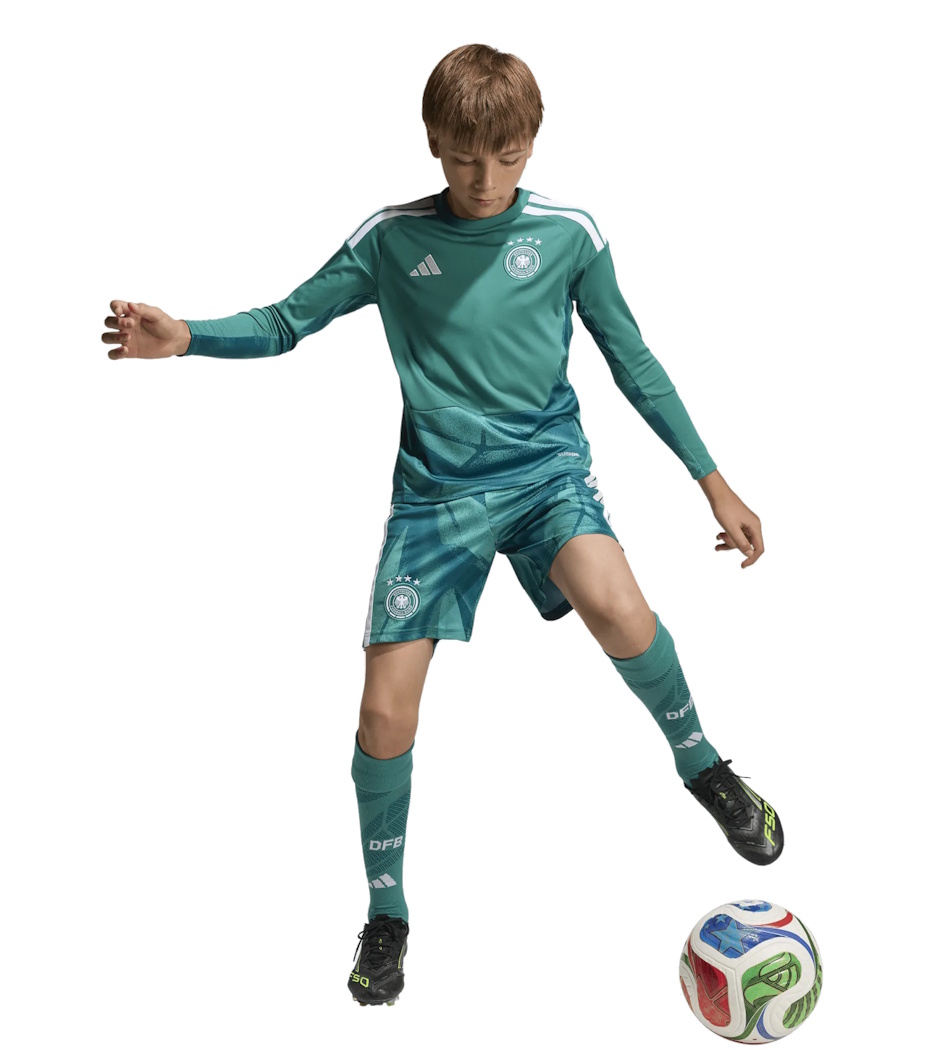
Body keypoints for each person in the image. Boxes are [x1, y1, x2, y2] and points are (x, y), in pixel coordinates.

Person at [101, 43, 781, 1009]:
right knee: (383, 714)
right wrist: (186, 339)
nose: (486, 178)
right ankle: (388, 914)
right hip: (436, 500)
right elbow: (288, 321)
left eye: (507, 157)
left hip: (545, 476)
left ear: (532, 143)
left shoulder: (571, 236)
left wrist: (714, 483)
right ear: (433, 143)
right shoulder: (391, 241)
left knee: (621, 609)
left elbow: (633, 360)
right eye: (465, 158)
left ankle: (703, 766)